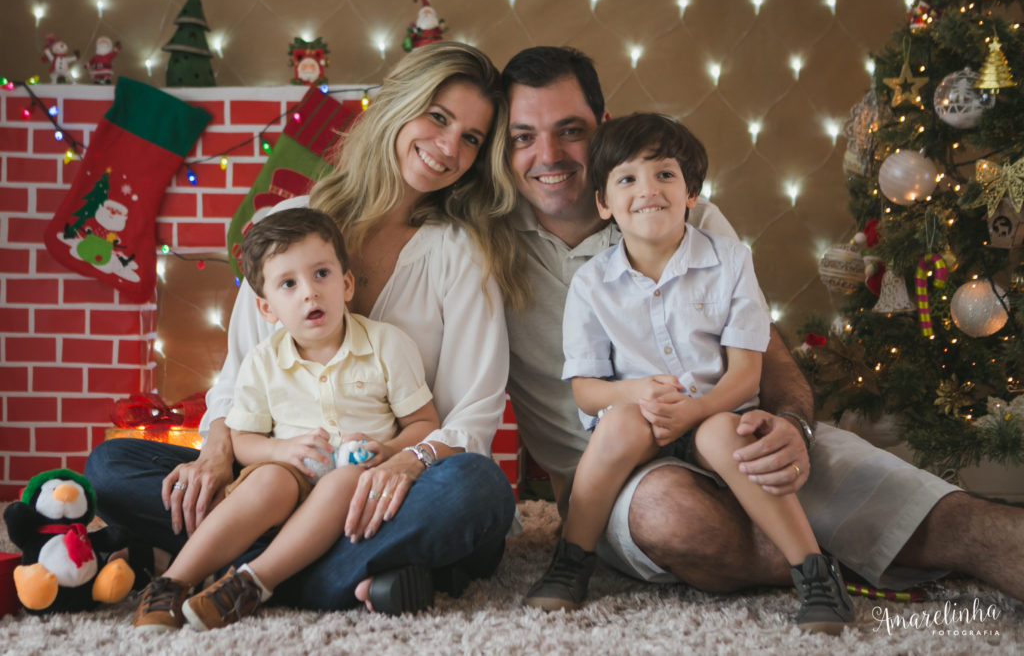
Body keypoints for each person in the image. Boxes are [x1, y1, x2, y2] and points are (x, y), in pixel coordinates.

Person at [502, 46, 1024, 602]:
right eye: (522, 136)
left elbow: (760, 351)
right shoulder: (485, 239)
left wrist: (792, 428)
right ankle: (836, 563)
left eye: (570, 130)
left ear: (604, 127)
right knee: (677, 516)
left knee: (956, 519)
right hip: (621, 476)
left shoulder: (689, 217)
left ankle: (899, 549)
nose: (548, 155)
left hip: (731, 422)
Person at [87, 41, 524, 616]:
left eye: (471, 138)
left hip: (392, 487)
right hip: (279, 481)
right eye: (438, 117)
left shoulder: (460, 253)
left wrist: (401, 462)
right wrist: (217, 451)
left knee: (479, 489)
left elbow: (473, 415)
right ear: (398, 105)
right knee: (111, 466)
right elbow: (239, 376)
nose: (448, 147)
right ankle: (340, 573)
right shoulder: (281, 227)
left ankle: (274, 574)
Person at [523, 113, 854, 632]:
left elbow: (746, 375)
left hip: (713, 412)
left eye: (665, 174)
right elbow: (586, 392)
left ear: (692, 191)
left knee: (728, 434)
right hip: (640, 424)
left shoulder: (730, 261)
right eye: (627, 178)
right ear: (605, 204)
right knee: (617, 424)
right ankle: (571, 560)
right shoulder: (592, 283)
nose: (647, 189)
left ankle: (812, 570)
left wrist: (697, 410)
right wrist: (637, 392)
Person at [131, 208, 443, 630]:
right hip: (285, 487)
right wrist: (283, 450)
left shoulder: (387, 345)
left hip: (360, 490)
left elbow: (425, 425)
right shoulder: (263, 362)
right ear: (267, 308)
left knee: (422, 484)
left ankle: (251, 583)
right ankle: (172, 582)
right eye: (289, 284)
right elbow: (241, 439)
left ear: (346, 283)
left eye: (321, 275)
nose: (309, 294)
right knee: (266, 477)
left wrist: (386, 451)